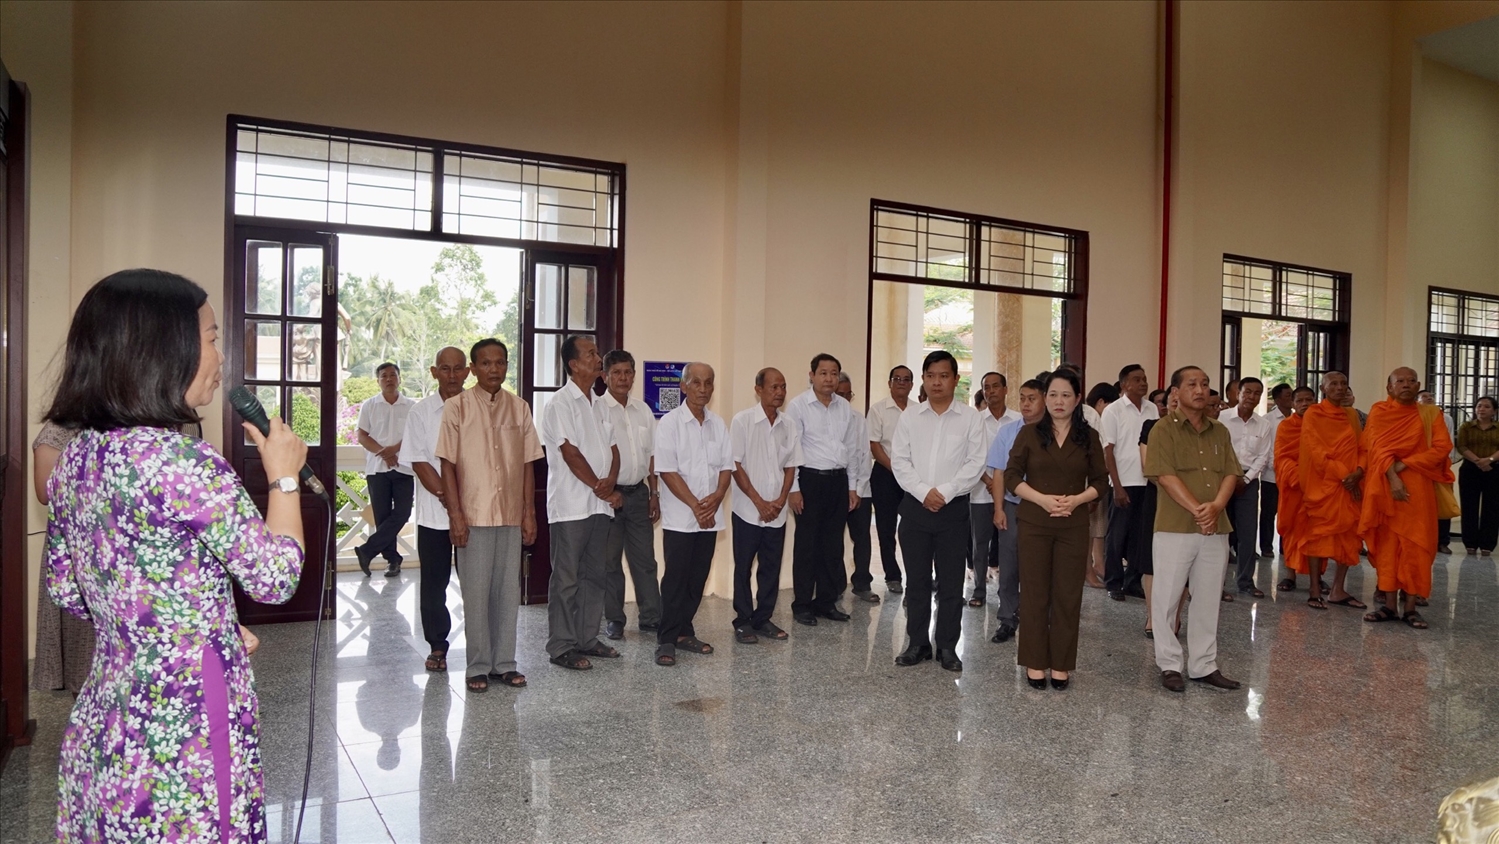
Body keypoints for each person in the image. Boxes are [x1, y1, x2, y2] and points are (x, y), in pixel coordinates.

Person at [44, 269, 307, 841]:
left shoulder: (77, 458)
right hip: (184, 717)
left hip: (112, 711)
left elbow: (69, 588)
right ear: (165, 350)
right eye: (212, 338)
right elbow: (275, 576)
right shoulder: (183, 462)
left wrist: (195, 621)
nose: (219, 355)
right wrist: (283, 480)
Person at [438, 339, 544, 691]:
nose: (494, 369)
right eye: (486, 363)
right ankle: (478, 666)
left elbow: (529, 464)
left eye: (500, 362)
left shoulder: (520, 408)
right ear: (474, 368)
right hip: (474, 514)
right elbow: (447, 465)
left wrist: (529, 512)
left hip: (511, 515)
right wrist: (456, 514)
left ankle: (505, 663)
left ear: (506, 366)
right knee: (477, 593)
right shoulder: (457, 408)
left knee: (506, 593)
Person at [1005, 370, 1108, 689]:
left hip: (1073, 524)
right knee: (1035, 594)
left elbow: (1101, 481)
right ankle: (1035, 662)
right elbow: (1011, 477)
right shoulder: (1029, 434)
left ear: (1078, 399)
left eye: (1066, 395)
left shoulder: (1088, 436)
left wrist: (1077, 500)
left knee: (1067, 595)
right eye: (1052, 395)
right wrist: (1042, 499)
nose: (1058, 401)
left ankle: (1061, 664)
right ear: (1045, 398)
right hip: (1035, 522)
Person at [1145, 365, 1242, 693]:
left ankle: (1203, 665)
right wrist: (1198, 510)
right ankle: (1170, 664)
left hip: (1216, 528)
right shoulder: (1163, 430)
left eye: (1204, 384)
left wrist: (1215, 507)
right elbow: (1164, 475)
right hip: (1175, 527)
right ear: (1176, 392)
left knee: (1208, 598)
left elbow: (1231, 473)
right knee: (1167, 599)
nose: (1200, 390)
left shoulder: (1220, 431)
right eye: (1191, 384)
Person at [890, 351, 987, 672]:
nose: (936, 382)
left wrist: (943, 493)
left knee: (950, 582)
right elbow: (900, 462)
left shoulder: (971, 418)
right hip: (915, 510)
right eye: (930, 375)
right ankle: (917, 642)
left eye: (943, 375)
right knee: (915, 581)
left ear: (956, 380)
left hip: (953, 512)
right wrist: (923, 492)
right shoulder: (910, 418)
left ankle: (947, 646)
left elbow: (975, 464)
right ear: (924, 378)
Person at [539, 335, 623, 670]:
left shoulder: (600, 403)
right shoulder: (560, 403)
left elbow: (614, 450)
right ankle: (562, 645)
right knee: (567, 578)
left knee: (595, 575)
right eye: (591, 354)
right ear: (574, 364)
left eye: (596, 352)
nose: (597, 357)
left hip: (599, 505)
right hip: (572, 505)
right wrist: (600, 487)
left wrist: (611, 482)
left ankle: (588, 639)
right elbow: (569, 452)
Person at [1359, 368, 1455, 629]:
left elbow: (1442, 448)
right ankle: (1389, 606)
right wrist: (1394, 477)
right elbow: (1377, 447)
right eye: (1400, 381)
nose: (1406, 385)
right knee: (1389, 546)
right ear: (1389, 387)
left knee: (1416, 547)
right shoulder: (1380, 411)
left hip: (1419, 491)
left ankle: (1411, 608)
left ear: (1419, 386)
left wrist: (1405, 465)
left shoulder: (1430, 414)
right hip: (1386, 488)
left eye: (1411, 381)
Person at [654, 362, 733, 666]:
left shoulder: (718, 424)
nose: (703, 389)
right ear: (683, 386)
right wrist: (696, 506)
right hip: (681, 518)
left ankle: (685, 631)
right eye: (696, 383)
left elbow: (727, 467)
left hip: (710, 517)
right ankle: (666, 639)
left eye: (708, 383)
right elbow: (668, 471)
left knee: (698, 576)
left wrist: (714, 499)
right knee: (675, 578)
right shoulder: (670, 424)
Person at [398, 346, 469, 673]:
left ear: (467, 371)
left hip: (478, 513)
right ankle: (437, 645)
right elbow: (419, 460)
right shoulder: (421, 412)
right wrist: (449, 498)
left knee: (476, 584)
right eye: (445, 369)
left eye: (458, 369)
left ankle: (481, 648)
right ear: (434, 372)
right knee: (434, 585)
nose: (452, 376)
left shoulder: (480, 408)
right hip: (434, 514)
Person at [784, 353, 862, 626]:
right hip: (809, 481)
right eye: (824, 373)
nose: (829, 378)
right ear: (812, 375)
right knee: (807, 544)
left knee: (832, 544)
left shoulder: (844, 408)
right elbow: (792, 449)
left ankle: (826, 602)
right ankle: (802, 604)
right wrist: (793, 488)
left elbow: (851, 449)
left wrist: (853, 487)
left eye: (834, 373)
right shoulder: (798, 406)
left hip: (838, 481)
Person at [729, 367, 803, 643]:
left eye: (783, 387)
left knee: (771, 566)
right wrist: (759, 502)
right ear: (758, 389)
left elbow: (791, 464)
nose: (780, 392)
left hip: (777, 511)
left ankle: (763, 618)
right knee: (743, 566)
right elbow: (734, 465)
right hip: (748, 510)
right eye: (774, 387)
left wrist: (782, 499)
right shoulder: (743, 421)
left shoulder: (789, 425)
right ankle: (742, 620)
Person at [596, 349, 663, 639]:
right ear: (605, 376)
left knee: (645, 560)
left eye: (628, 372)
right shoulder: (597, 410)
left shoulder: (643, 410)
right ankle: (615, 620)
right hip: (610, 496)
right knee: (610, 563)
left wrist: (655, 493)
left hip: (639, 495)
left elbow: (651, 455)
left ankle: (651, 617)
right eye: (617, 373)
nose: (623, 378)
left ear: (634, 376)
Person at [31, 422, 94, 695]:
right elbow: (45, 494)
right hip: (76, 548)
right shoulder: (57, 433)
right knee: (81, 643)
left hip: (125, 547)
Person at [1297, 371, 1368, 611]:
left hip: (1351, 485)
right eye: (1334, 384)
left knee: (1348, 536)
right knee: (1319, 536)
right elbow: (1315, 450)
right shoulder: (1314, 413)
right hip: (1324, 485)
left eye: (1344, 384)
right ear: (1323, 388)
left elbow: (1362, 447)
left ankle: (1338, 589)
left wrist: (1358, 472)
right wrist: (1343, 475)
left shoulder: (1351, 415)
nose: (1340, 388)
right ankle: (1315, 589)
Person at [984, 378, 1044, 643]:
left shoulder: (1054, 431)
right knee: (1008, 567)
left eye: (1032, 398)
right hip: (1012, 506)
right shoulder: (1008, 432)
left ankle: (1038, 621)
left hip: (1044, 509)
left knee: (1039, 568)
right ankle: (1007, 619)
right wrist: (998, 509)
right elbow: (998, 473)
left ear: (1044, 400)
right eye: (1022, 398)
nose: (1026, 404)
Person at [1100, 364, 1158, 602]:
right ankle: (1113, 582)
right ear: (1124, 385)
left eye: (1145, 378)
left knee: (1141, 536)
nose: (1143, 383)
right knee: (1117, 536)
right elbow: (1108, 451)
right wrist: (1118, 486)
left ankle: (1133, 582)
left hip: (1149, 483)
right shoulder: (1113, 411)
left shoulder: (1152, 409)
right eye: (1137, 379)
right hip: (1123, 482)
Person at [356, 361, 416, 576]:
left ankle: (367, 550)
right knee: (382, 517)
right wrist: (384, 452)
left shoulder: (411, 406)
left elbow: (414, 434)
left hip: (404, 467)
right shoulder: (369, 405)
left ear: (399, 378)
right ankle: (393, 561)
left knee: (403, 513)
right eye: (384, 376)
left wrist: (394, 450)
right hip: (377, 469)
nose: (389, 379)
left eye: (393, 375)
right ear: (378, 380)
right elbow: (362, 435)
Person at [968, 371, 1021, 607]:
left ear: (1006, 389)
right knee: (980, 545)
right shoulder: (975, 420)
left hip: (1011, 495)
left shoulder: (1019, 421)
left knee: (1009, 546)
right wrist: (990, 483)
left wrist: (1003, 485)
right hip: (980, 492)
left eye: (995, 386)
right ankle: (979, 591)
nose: (990, 391)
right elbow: (970, 457)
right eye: (986, 387)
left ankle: (1007, 595)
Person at [1221, 376, 1272, 597]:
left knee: (1248, 534)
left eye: (1257, 393)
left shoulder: (1264, 424)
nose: (1252, 397)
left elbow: (1263, 456)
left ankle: (1245, 582)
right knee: (1219, 534)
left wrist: (1248, 479)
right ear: (1237, 393)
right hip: (1222, 479)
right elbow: (1218, 451)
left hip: (1248, 483)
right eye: (1247, 392)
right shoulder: (1221, 419)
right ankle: (1216, 583)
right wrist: (1231, 477)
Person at [868, 365, 914, 593]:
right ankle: (892, 575)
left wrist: (908, 473)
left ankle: (915, 575)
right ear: (889, 383)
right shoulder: (878, 410)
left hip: (913, 478)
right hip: (885, 474)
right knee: (886, 528)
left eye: (906, 379)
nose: (901, 383)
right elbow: (875, 445)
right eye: (897, 379)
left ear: (912, 385)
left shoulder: (919, 410)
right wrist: (895, 469)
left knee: (912, 528)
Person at [836, 372, 879, 603]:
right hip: (834, 488)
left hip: (862, 489)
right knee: (833, 539)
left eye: (847, 394)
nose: (844, 398)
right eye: (839, 394)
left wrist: (859, 490)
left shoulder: (858, 419)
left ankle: (862, 583)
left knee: (862, 537)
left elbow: (864, 455)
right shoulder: (826, 420)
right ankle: (836, 584)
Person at [1273, 387, 1317, 592]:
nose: (1304, 404)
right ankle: (1290, 575)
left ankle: (1316, 578)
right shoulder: (1286, 426)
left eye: (1309, 399)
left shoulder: (1321, 425)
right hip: (1294, 487)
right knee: (1291, 530)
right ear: (1292, 403)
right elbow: (1281, 457)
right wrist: (1299, 476)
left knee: (1316, 532)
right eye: (1300, 400)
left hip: (1318, 489)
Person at [1456, 396, 1499, 556]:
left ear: (1494, 411)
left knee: (1492, 507)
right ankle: (1470, 543)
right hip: (1470, 469)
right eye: (1479, 406)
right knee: (1469, 507)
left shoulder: (1498, 427)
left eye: (1487, 407)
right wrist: (1478, 461)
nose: (1482, 409)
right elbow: (1461, 446)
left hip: (1494, 469)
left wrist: (1489, 459)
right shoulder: (1466, 427)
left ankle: (1488, 544)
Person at [1418, 389, 1458, 554]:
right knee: (1421, 506)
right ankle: (1423, 539)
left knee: (1443, 505)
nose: (1428, 399)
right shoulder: (1414, 417)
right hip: (1419, 468)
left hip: (1439, 468)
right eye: (1424, 397)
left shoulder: (1445, 418)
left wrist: (1438, 461)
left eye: (1431, 397)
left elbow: (1448, 443)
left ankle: (1442, 541)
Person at [1261, 383, 1294, 564]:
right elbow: (1267, 448)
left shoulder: (1298, 418)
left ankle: (1285, 546)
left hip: (1291, 477)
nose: (1291, 399)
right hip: (1271, 476)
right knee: (1268, 512)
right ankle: (1266, 546)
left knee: (1288, 512)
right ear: (1278, 399)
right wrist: (1279, 466)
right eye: (1288, 395)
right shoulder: (1268, 420)